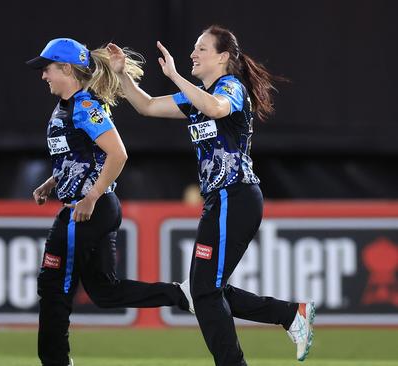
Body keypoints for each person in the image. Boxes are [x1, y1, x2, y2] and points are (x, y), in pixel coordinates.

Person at [107, 26, 315, 365]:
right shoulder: (196, 98)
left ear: (222, 57)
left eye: (201, 49)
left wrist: (174, 75)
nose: (193, 54)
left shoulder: (230, 87)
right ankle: (291, 314)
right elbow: (146, 106)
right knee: (203, 289)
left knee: (203, 291)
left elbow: (217, 108)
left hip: (237, 197)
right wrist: (122, 77)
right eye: (193, 48)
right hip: (222, 201)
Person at [26, 38, 194, 366]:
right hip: (90, 206)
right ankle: (181, 295)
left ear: (66, 69)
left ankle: (55, 362)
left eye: (47, 69)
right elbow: (80, 157)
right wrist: (51, 182)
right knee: (105, 291)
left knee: (53, 287)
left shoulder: (84, 106)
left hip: (87, 210)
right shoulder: (67, 105)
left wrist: (90, 197)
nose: (43, 75)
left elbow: (118, 154)